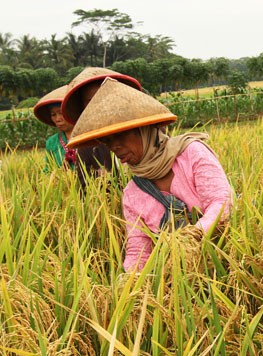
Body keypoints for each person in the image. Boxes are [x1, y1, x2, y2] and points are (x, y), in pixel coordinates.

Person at [67, 78, 233, 272]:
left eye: (120, 136)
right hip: (183, 276)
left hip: (225, 261)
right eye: (107, 141)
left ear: (144, 129)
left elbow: (221, 203)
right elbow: (139, 249)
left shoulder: (191, 153)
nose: (114, 147)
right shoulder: (132, 194)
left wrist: (192, 236)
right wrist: (132, 281)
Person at [62, 67, 145, 188]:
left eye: (105, 97)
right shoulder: (87, 147)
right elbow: (84, 188)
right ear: (85, 109)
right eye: (92, 101)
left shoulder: (147, 131)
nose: (101, 105)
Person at [34, 85, 77, 171]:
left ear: (74, 111)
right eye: (53, 115)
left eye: (61, 113)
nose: (57, 119)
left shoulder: (89, 137)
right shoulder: (52, 142)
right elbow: (48, 170)